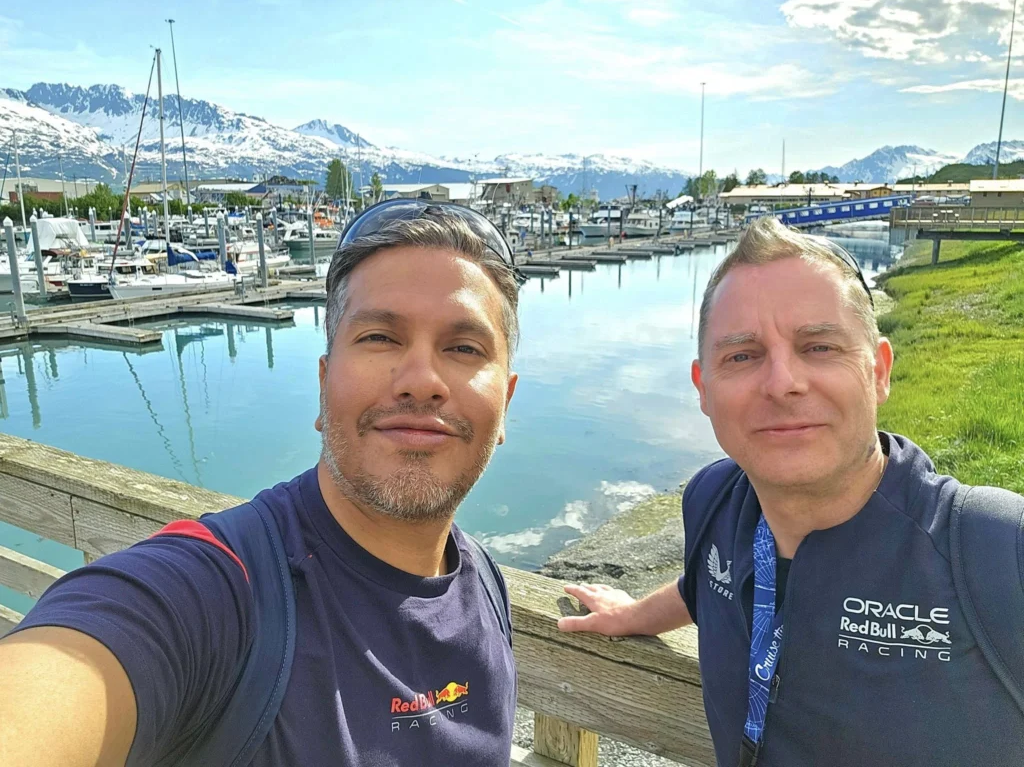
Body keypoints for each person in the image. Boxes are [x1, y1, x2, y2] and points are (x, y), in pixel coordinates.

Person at [0, 200, 523, 766]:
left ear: (506, 405)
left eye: (464, 348)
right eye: (379, 337)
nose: (422, 381)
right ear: (324, 387)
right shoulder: (218, 595)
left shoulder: (484, 584)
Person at [559, 216, 1024, 766]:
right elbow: (708, 582)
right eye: (742, 356)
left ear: (878, 370)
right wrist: (633, 615)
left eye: (819, 347)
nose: (783, 382)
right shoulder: (714, 499)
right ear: (703, 388)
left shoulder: (994, 549)